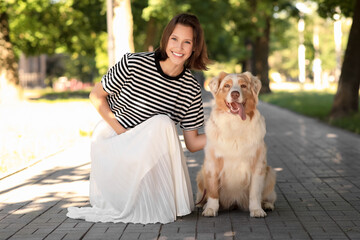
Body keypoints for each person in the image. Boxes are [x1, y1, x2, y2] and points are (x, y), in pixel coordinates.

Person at [67, 13, 209, 224]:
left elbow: (193, 142)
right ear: (166, 39)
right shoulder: (134, 63)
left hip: (145, 153)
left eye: (187, 42)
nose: (179, 47)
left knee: (163, 124)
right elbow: (96, 95)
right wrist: (124, 134)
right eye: (174, 39)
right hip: (114, 140)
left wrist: (227, 133)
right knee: (163, 123)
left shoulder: (190, 87)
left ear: (195, 47)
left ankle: (158, 199)